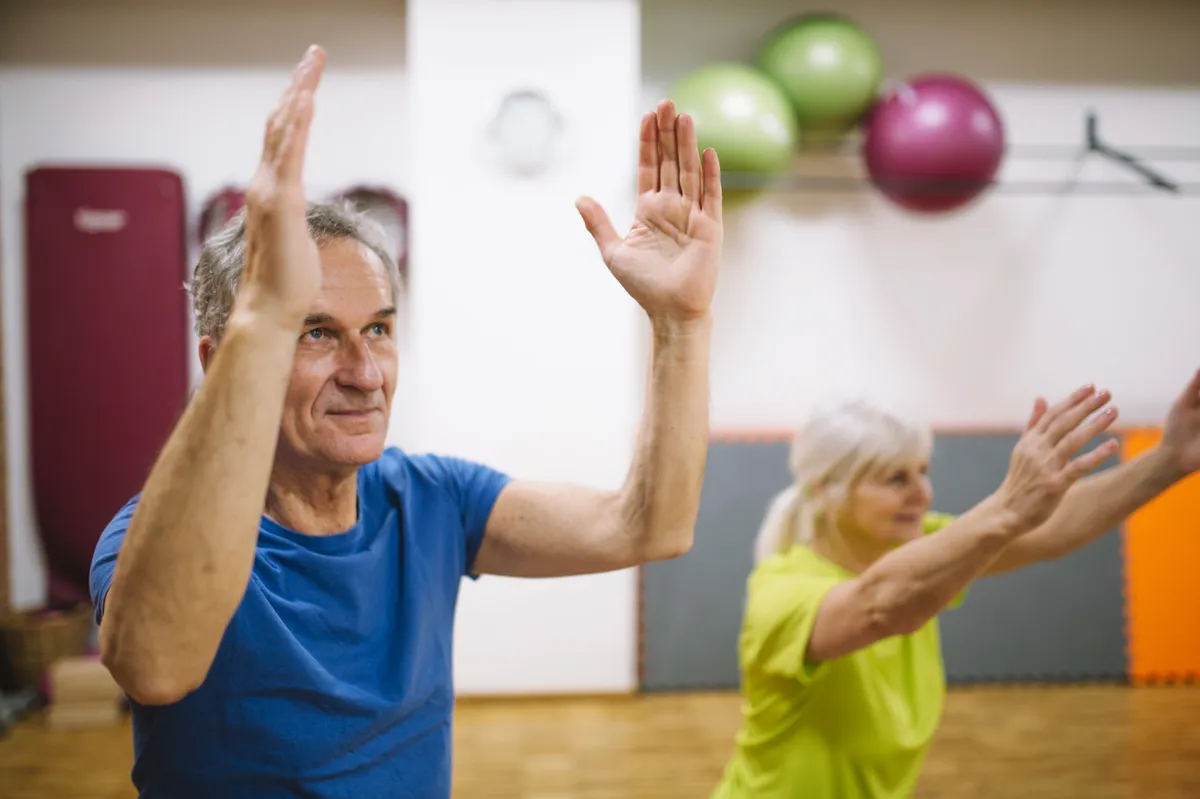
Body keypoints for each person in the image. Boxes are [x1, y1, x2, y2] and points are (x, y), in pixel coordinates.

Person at [89, 45, 723, 798]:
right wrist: (264, 312)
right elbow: (156, 667)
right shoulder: (148, 542)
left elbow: (648, 527)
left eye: (380, 329)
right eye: (316, 332)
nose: (365, 372)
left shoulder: (430, 499)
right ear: (222, 353)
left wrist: (680, 322)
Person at [712, 375, 1200, 799]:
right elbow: (881, 605)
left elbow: (1047, 531)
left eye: (922, 471)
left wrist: (1169, 460)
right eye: (893, 479)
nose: (921, 492)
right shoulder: (780, 592)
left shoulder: (921, 548)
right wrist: (1006, 508)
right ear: (825, 490)